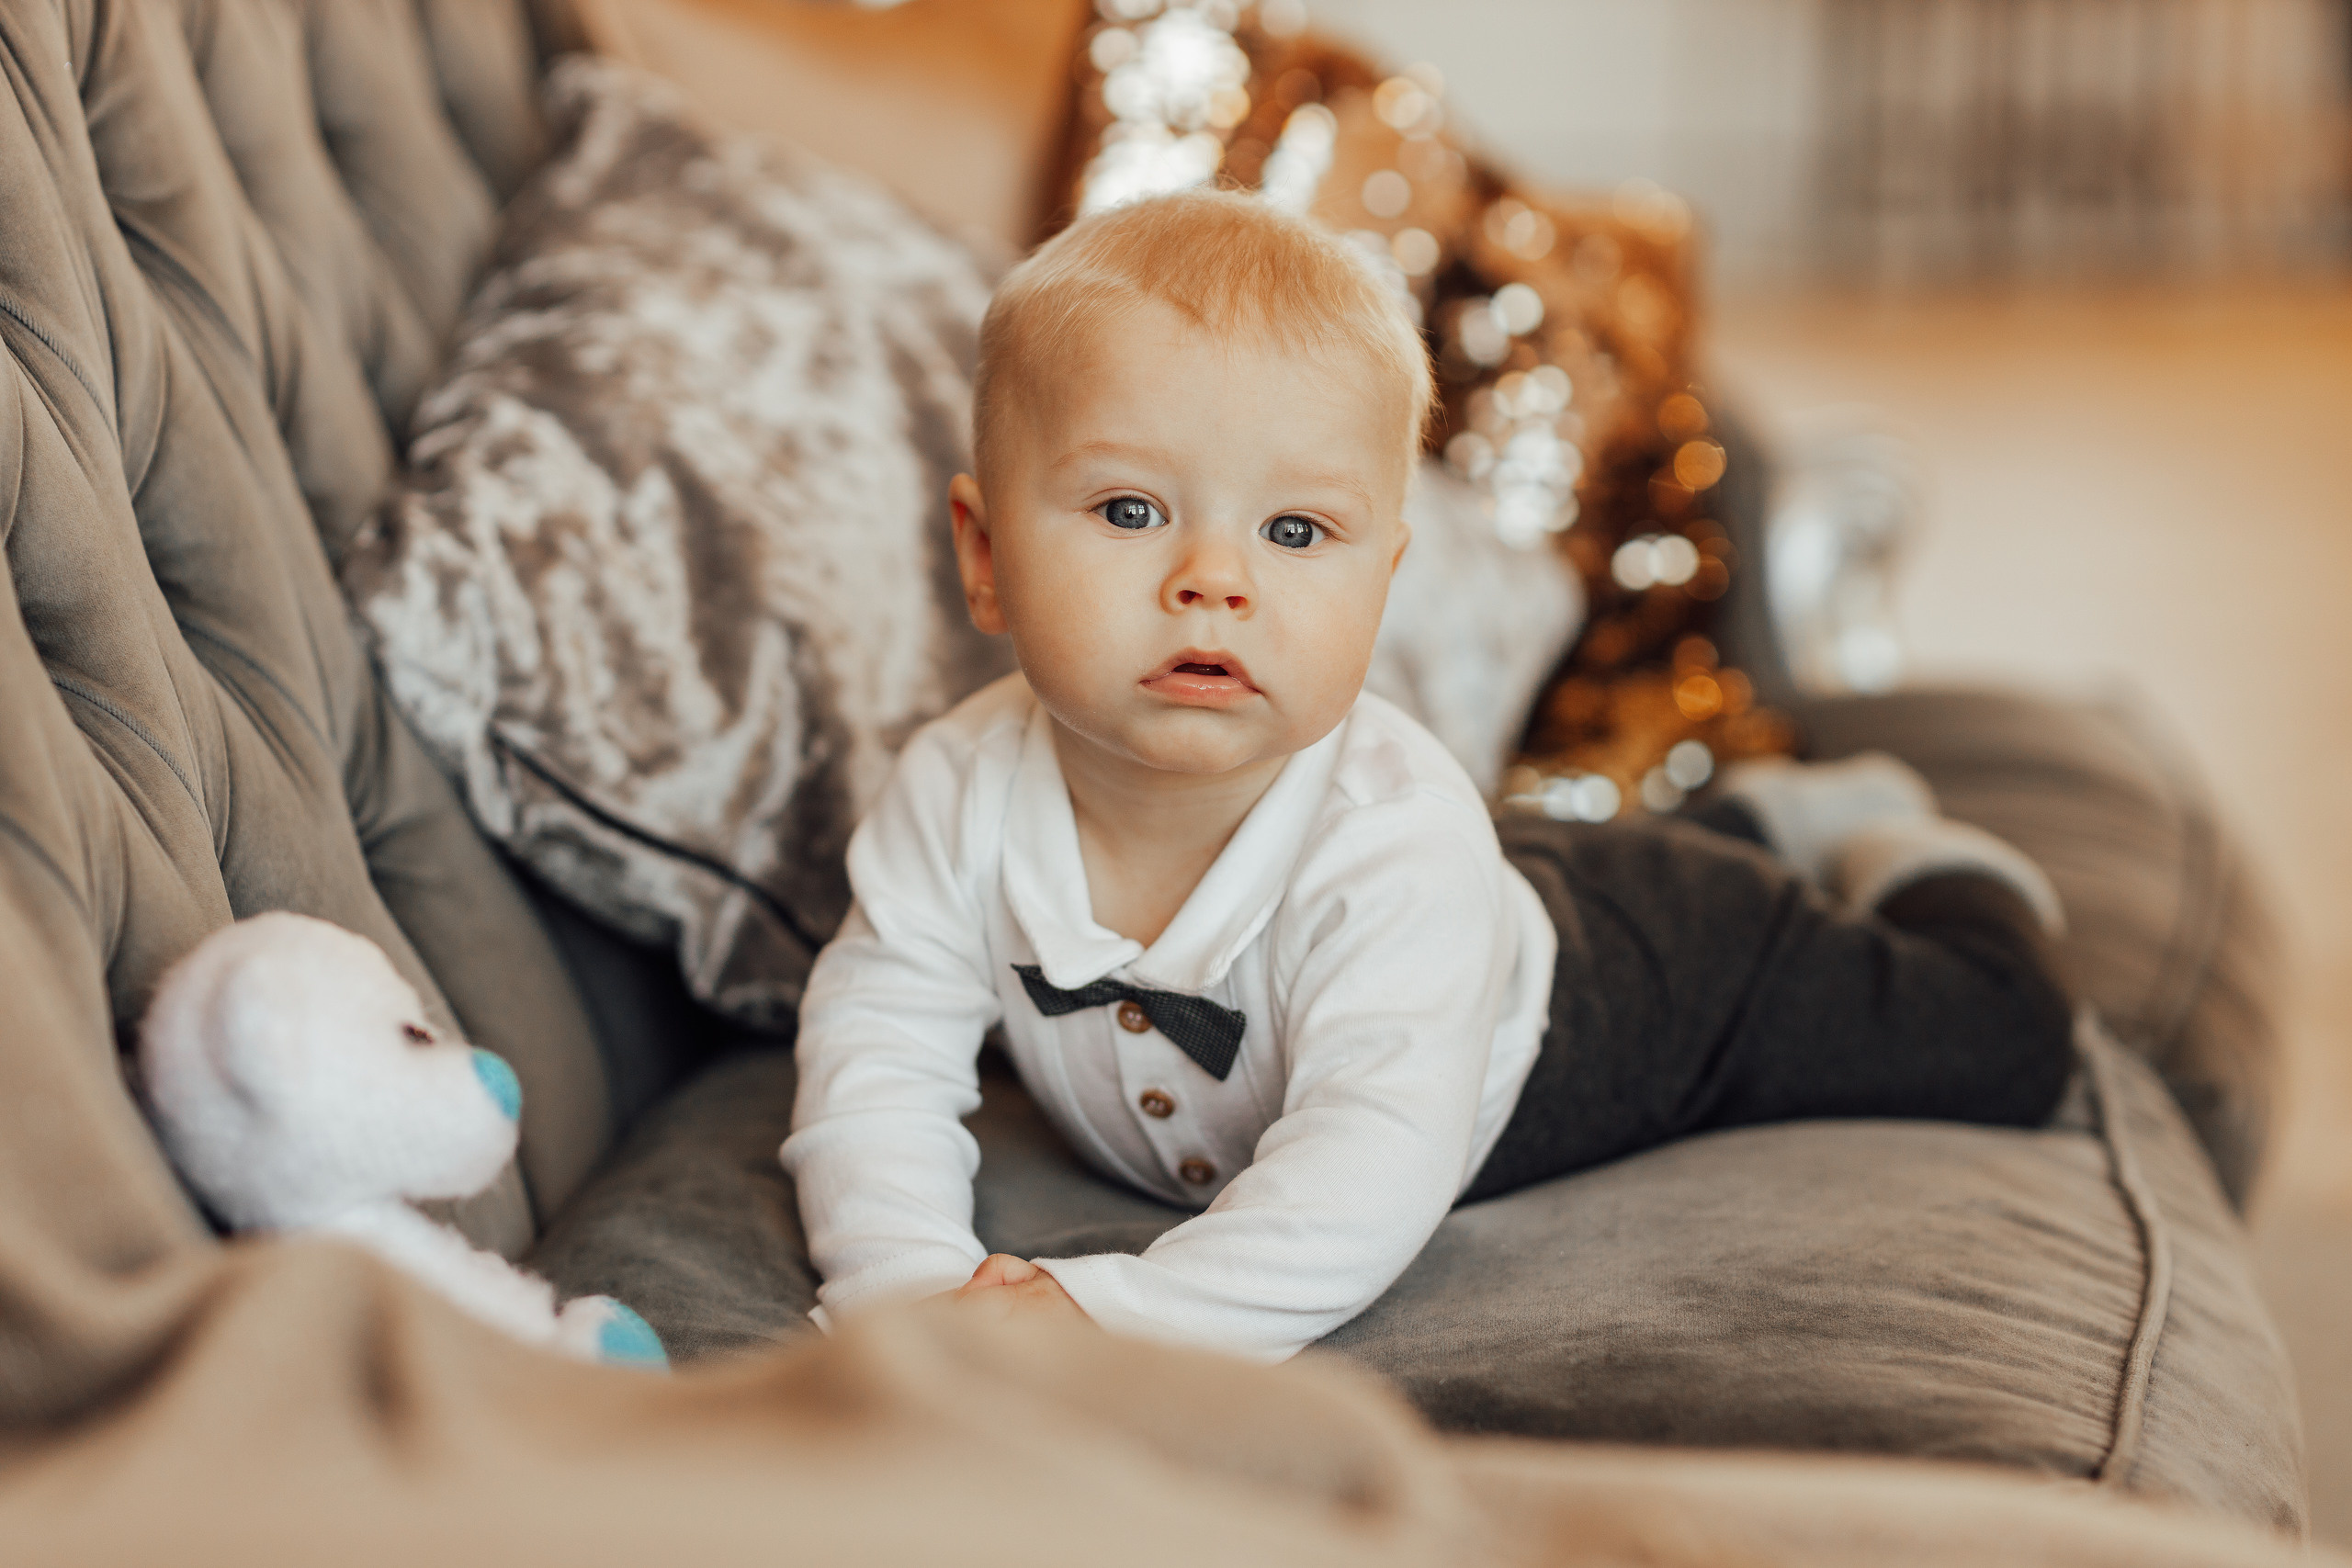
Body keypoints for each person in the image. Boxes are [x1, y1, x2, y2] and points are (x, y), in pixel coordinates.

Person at [780, 190, 2074, 1363]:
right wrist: (910, 1303)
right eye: (1129, 510)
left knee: (1991, 1039)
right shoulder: (950, 795)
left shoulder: (1390, 844)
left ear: (1379, 584)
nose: (1213, 580)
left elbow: (1361, 1181)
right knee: (1555, 862)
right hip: (1495, 892)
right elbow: (872, 1064)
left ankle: (1882, 841)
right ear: (987, 553)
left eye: (1295, 532)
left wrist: (1106, 1319)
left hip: (1626, 994)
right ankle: (1746, 821)